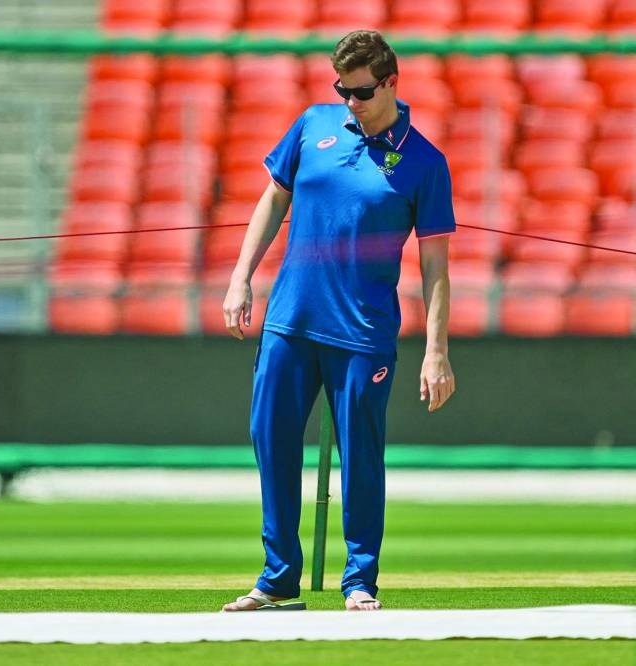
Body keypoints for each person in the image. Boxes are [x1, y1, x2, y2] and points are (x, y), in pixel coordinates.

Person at [220, 30, 456, 612]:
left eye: (362, 91)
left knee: (361, 454)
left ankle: (359, 581)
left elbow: (435, 265)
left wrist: (437, 350)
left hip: (363, 333)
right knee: (269, 441)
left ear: (392, 83)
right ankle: (277, 581)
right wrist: (240, 276)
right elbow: (274, 198)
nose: (350, 101)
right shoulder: (312, 125)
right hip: (290, 319)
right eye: (342, 90)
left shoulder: (425, 161)